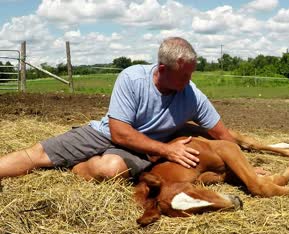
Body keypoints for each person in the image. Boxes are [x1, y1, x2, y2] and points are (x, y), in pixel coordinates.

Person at [0, 37, 237, 183]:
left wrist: (242, 165)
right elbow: (119, 133)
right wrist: (167, 150)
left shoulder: (192, 95)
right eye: (184, 75)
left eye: (191, 73)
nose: (189, 80)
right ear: (163, 69)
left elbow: (221, 135)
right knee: (37, 154)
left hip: (143, 149)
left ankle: (77, 167)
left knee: (109, 169)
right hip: (104, 133)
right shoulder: (132, 78)